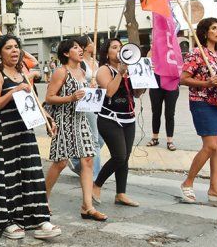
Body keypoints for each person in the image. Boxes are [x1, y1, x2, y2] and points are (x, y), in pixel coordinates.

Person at [0, 35, 60, 239]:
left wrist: (47, 118)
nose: (14, 51)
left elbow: (33, 100)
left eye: (16, 47)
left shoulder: (22, 72)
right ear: (0, 53)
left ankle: (40, 219)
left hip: (25, 130)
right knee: (8, 177)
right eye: (8, 47)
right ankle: (10, 222)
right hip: (5, 132)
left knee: (32, 172)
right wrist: (14, 91)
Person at [43, 38, 105, 221]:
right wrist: (70, 98)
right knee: (60, 162)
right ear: (65, 53)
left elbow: (83, 97)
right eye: (75, 48)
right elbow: (49, 98)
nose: (80, 50)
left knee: (88, 159)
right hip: (63, 121)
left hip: (81, 120)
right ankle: (42, 199)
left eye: (80, 47)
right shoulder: (60, 72)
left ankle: (87, 206)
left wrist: (92, 91)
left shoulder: (82, 71)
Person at [179, 18, 217, 204]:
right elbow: (183, 79)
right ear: (205, 32)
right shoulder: (196, 53)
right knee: (210, 145)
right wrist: (206, 83)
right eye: (214, 28)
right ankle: (187, 183)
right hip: (201, 102)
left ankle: (214, 188)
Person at [91, 38, 144, 207]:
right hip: (109, 118)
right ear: (107, 53)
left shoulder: (130, 69)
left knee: (125, 157)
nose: (119, 50)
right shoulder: (103, 70)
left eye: (121, 47)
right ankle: (96, 184)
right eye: (114, 47)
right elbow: (110, 93)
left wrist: (144, 81)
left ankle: (121, 193)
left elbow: (137, 94)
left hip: (129, 117)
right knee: (119, 156)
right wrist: (120, 73)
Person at [69, 36, 102, 181]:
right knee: (94, 139)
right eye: (91, 42)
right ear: (85, 46)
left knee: (101, 138)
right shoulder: (80, 63)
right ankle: (94, 177)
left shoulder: (95, 61)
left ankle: (76, 162)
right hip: (85, 102)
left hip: (97, 101)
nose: (94, 44)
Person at [147, 70, 179, 151]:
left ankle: (170, 141)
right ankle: (155, 138)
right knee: (156, 113)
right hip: (156, 85)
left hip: (171, 85)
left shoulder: (174, 56)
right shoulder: (155, 56)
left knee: (170, 114)